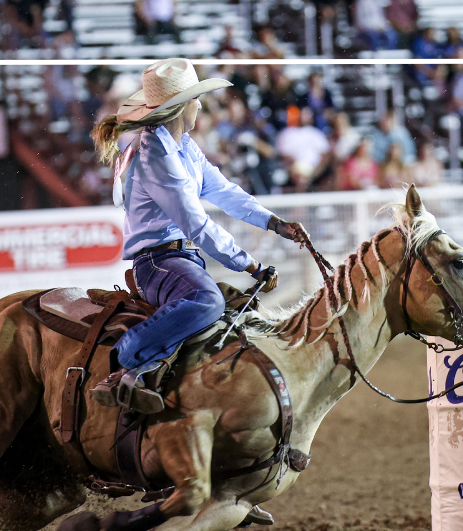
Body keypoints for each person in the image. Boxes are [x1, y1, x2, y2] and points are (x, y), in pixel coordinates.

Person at [88, 59, 308, 413]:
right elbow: (197, 224)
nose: (201, 105)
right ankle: (124, 359)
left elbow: (224, 191)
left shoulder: (183, 147)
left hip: (177, 259)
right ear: (180, 107)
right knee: (209, 301)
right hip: (158, 262)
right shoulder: (156, 155)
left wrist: (273, 223)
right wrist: (250, 265)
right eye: (196, 98)